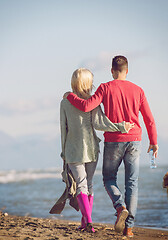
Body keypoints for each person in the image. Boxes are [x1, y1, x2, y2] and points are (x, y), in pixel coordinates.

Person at [64, 56, 158, 237]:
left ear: (112, 71)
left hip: (114, 141)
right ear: (127, 71)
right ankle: (128, 228)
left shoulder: (105, 88)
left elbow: (86, 106)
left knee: (109, 179)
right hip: (135, 140)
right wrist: (153, 142)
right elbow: (149, 119)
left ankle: (119, 206)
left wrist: (70, 96)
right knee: (132, 183)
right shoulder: (138, 90)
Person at [60, 68, 134, 233]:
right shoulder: (92, 101)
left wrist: (63, 153)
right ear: (87, 82)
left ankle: (87, 222)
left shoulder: (65, 102)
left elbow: (63, 130)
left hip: (73, 149)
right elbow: (101, 123)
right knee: (89, 185)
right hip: (92, 148)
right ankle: (87, 222)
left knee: (81, 184)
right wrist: (121, 126)